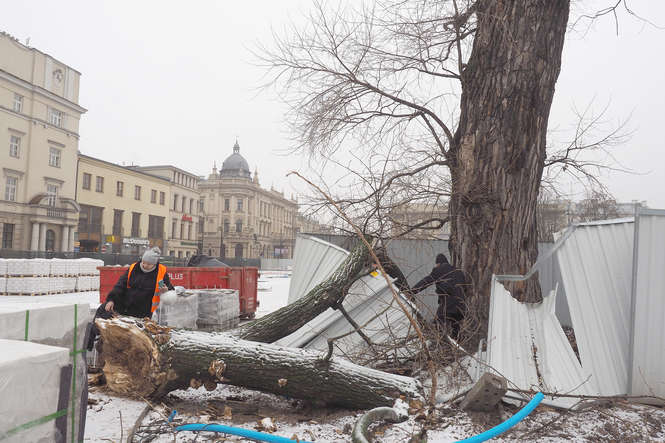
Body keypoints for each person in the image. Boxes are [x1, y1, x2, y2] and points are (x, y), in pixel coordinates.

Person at [86, 247, 173, 351]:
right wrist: (111, 300)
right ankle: (91, 341)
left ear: (154, 264)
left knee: (130, 339)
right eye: (143, 262)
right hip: (123, 304)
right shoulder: (133, 268)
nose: (145, 265)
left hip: (142, 311)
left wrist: (165, 290)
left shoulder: (161, 272)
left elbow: (170, 290)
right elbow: (120, 285)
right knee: (103, 311)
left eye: (148, 264)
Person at [411, 253, 467, 339]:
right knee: (455, 325)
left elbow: (427, 281)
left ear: (438, 264)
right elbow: (465, 288)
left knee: (438, 323)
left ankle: (439, 342)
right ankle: (456, 344)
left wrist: (412, 291)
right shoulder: (459, 272)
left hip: (448, 303)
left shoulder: (439, 270)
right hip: (461, 304)